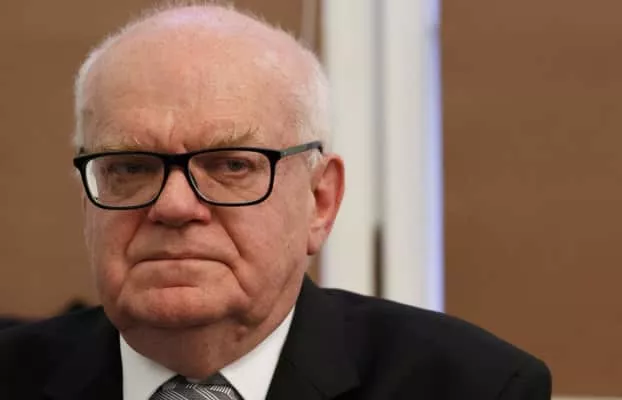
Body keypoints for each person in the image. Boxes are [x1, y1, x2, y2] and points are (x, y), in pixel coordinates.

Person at [0, 3, 551, 399]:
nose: (173, 205)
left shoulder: (471, 385)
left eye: (231, 165)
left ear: (320, 200)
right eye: (130, 168)